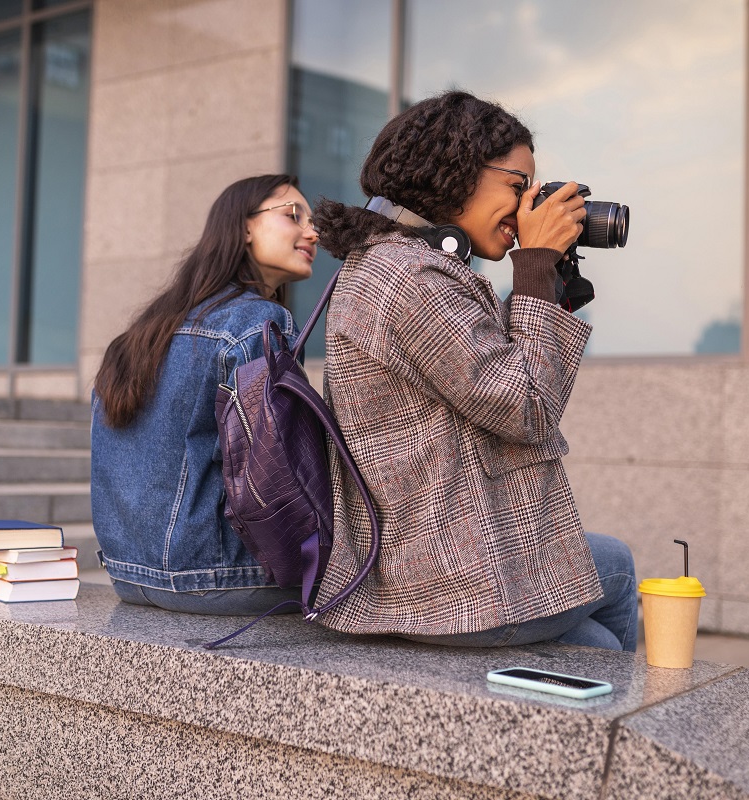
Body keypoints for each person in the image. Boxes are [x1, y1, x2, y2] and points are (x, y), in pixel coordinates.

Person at [311, 91, 638, 650]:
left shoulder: (402, 263)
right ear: (456, 171)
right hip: (444, 578)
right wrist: (532, 266)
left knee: (604, 602)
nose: (527, 207)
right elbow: (527, 405)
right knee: (608, 611)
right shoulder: (409, 279)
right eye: (518, 187)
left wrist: (549, 278)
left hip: (431, 553)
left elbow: (502, 384)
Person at [91, 174, 319, 614]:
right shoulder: (260, 324)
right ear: (245, 226)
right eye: (293, 215)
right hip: (220, 578)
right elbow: (279, 472)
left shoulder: (142, 334)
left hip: (127, 576)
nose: (312, 232)